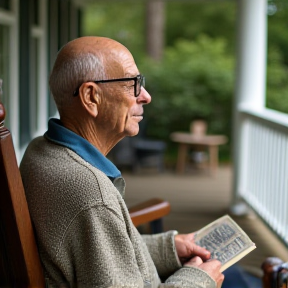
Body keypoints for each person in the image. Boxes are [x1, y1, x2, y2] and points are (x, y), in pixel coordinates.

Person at [20, 36, 224, 288]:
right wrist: (199, 280)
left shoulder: (40, 149)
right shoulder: (92, 195)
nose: (146, 96)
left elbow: (95, 251)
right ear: (91, 97)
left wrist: (167, 248)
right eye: (133, 84)